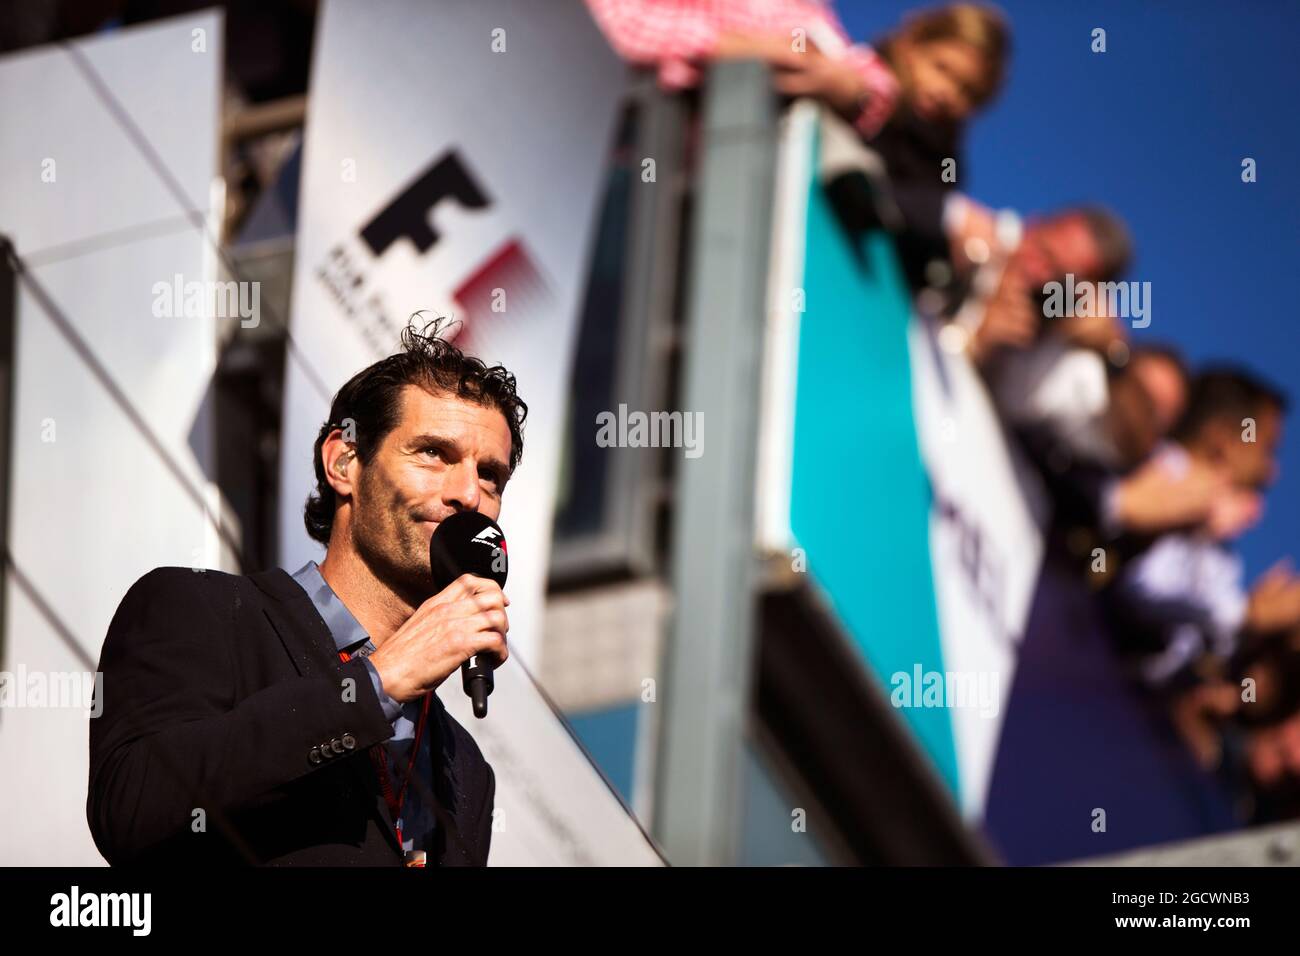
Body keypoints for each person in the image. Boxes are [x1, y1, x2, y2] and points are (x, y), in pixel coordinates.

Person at [88, 319, 522, 866]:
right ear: (344, 463)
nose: (466, 494)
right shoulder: (202, 612)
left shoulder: (465, 767)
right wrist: (378, 683)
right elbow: (130, 807)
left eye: (490, 476)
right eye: (433, 453)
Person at [584, 0, 901, 138]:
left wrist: (849, 87)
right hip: (622, 149)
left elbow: (876, 84)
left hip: (720, 192)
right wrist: (724, 45)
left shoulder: (806, 16)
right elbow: (608, 20)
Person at [866, 3, 1011, 287]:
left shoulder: (945, 166)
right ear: (912, 43)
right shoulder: (861, 92)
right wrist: (948, 214)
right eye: (942, 67)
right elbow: (862, 188)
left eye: (967, 91)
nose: (947, 93)